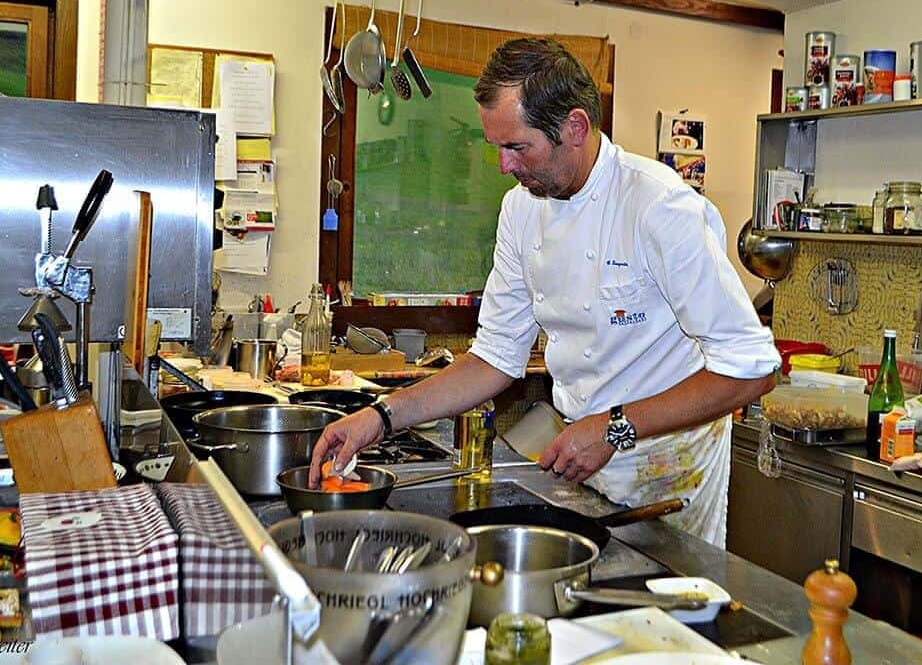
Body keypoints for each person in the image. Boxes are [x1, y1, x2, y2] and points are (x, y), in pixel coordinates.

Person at [309, 37, 780, 546]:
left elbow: (751, 369)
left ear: (574, 127)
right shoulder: (521, 210)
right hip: (581, 457)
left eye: (517, 147)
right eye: (497, 147)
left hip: (669, 470)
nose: (503, 167)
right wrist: (382, 416)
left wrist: (613, 428)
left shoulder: (659, 207)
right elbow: (494, 357)